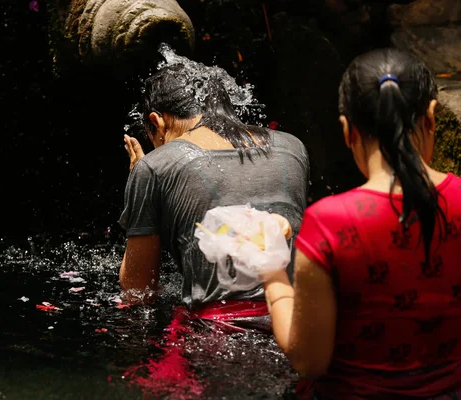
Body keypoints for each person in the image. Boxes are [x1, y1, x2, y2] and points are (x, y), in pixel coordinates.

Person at [263, 47, 461, 399]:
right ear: (431, 117)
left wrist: (273, 275)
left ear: (347, 131)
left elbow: (309, 362)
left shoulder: (330, 223)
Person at [119, 62, 309, 329]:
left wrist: (141, 188)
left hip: (215, 334)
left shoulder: (155, 166)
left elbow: (138, 291)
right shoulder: (292, 148)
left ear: (157, 122)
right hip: (298, 323)